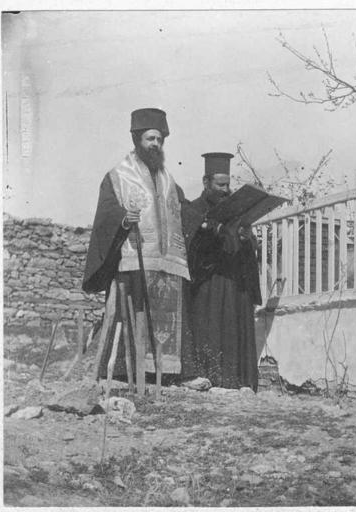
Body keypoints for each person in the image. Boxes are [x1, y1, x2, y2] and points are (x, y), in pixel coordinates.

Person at [83, 108, 193, 383]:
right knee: (132, 318)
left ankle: (167, 374)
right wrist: (123, 219)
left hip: (168, 264)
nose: (156, 144)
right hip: (134, 260)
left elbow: (183, 210)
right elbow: (106, 213)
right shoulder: (118, 176)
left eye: (160, 139)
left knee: (170, 321)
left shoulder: (168, 180)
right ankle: (127, 371)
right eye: (150, 139)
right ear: (137, 140)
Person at [182, 152, 262, 391]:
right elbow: (191, 249)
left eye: (228, 185)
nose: (226, 190)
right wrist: (209, 231)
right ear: (206, 182)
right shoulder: (194, 209)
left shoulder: (237, 210)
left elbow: (247, 248)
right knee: (211, 329)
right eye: (220, 185)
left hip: (235, 284)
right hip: (209, 285)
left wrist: (246, 238)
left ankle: (239, 381)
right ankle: (211, 379)